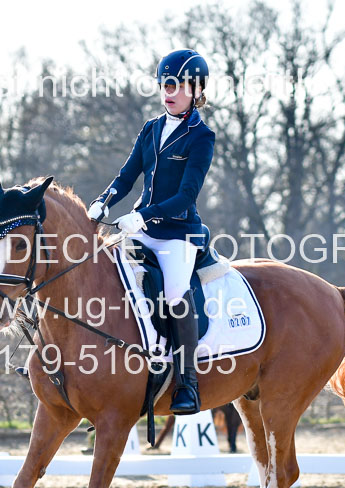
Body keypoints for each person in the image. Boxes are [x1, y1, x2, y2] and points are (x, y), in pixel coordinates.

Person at [87, 48, 214, 415]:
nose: (169, 91)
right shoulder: (151, 128)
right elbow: (127, 177)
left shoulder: (201, 137)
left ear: (195, 89)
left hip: (178, 233)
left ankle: (187, 383)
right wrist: (103, 202)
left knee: (175, 293)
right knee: (109, 275)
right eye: (164, 84)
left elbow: (186, 195)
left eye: (176, 85)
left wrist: (143, 217)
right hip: (140, 227)